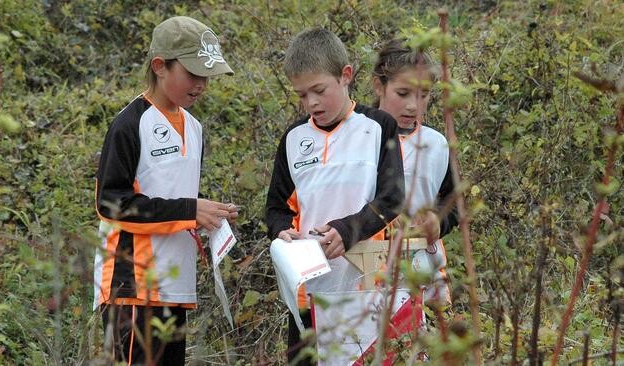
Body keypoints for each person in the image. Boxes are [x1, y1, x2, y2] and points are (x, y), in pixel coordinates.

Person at [93, 16, 238, 365]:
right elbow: (112, 204)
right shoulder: (129, 124)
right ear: (160, 66)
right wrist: (190, 210)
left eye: (207, 76)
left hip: (176, 286)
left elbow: (173, 196)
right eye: (192, 73)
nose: (201, 84)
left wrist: (207, 217)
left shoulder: (195, 127)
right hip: (133, 287)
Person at [265, 28, 405, 365]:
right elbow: (275, 208)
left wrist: (347, 230)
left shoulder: (378, 126)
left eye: (319, 90)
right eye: (301, 95)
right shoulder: (294, 138)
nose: (311, 103)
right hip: (308, 294)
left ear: (345, 76)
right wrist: (281, 231)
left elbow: (392, 197)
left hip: (367, 287)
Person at [372, 39, 458, 306]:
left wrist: (437, 221)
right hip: (368, 276)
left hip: (425, 274)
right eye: (403, 94)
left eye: (423, 95)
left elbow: (453, 202)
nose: (413, 106)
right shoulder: (359, 138)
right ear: (379, 85)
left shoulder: (436, 144)